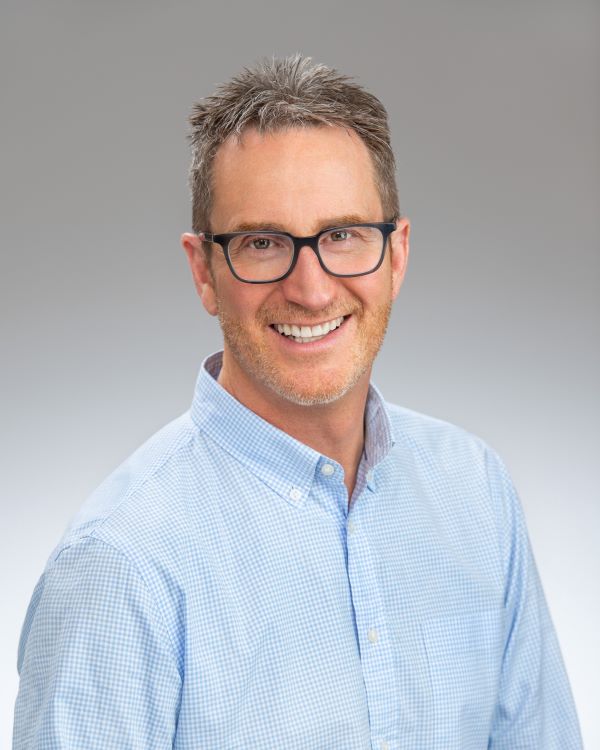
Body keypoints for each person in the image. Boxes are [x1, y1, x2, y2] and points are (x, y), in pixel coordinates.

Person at [13, 55, 582, 749]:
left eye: (342, 235)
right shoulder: (120, 564)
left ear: (396, 254)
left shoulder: (475, 490)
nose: (311, 290)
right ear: (204, 271)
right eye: (263, 243)